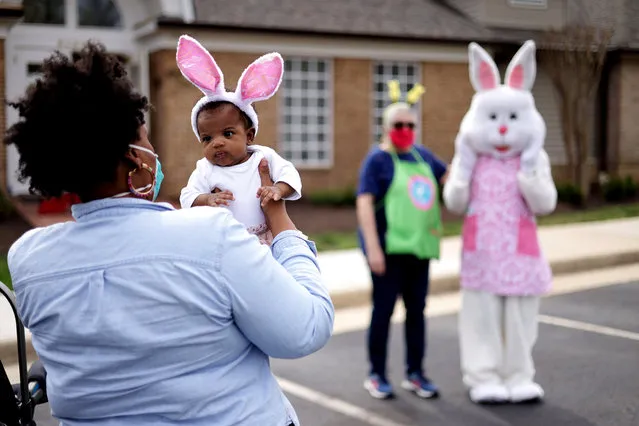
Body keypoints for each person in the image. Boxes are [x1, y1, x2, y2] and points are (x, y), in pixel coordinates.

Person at [5, 41, 334, 426]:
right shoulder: (210, 236)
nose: (153, 150)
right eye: (145, 139)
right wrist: (279, 218)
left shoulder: (28, 260)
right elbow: (305, 329)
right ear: (134, 157)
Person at [443, 40, 556, 404]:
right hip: (483, 253)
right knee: (481, 318)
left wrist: (528, 172)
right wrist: (462, 168)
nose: (504, 130)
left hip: (520, 254)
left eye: (512, 119)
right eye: (494, 119)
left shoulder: (534, 160)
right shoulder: (473, 161)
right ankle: (484, 376)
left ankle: (519, 375)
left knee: (521, 320)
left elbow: (546, 203)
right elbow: (455, 203)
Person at [356, 81, 448, 400]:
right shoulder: (377, 161)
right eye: (399, 125)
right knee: (383, 312)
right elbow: (364, 203)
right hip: (387, 251)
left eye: (410, 125)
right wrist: (373, 248)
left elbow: (449, 178)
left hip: (418, 250)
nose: (405, 130)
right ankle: (377, 374)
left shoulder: (422, 156)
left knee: (416, 312)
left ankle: (416, 373)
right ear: (386, 127)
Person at [177, 35, 302, 245]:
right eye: (207, 138)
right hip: (226, 241)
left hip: (264, 235)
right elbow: (187, 196)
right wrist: (206, 199)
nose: (216, 143)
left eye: (227, 134)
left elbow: (290, 174)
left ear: (249, 136)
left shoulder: (263, 157)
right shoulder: (205, 169)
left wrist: (278, 189)